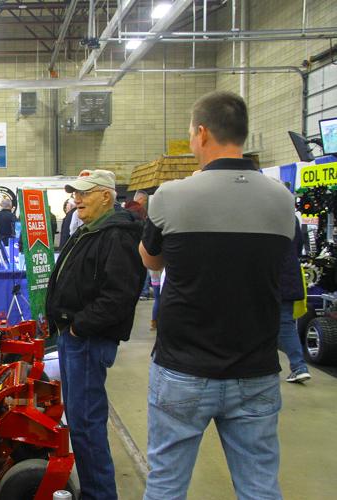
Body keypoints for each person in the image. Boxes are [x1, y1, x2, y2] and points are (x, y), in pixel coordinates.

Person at [139, 91, 294, 500]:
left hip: (182, 371)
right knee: (260, 486)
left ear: (202, 133)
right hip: (256, 370)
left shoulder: (170, 196)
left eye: (191, 134)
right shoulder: (283, 200)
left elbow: (151, 262)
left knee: (166, 484)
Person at [45, 169, 146, 500]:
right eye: (75, 193)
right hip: (76, 339)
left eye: (84, 193)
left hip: (86, 341)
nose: (77, 198)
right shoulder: (90, 228)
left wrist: (78, 326)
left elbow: (119, 295)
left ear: (106, 195)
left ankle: (99, 495)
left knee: (87, 425)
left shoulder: (116, 235)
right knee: (80, 421)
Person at [280, 218, 311, 383]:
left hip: (265, 276)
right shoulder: (290, 217)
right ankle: (299, 367)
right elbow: (298, 246)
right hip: (289, 276)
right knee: (286, 325)